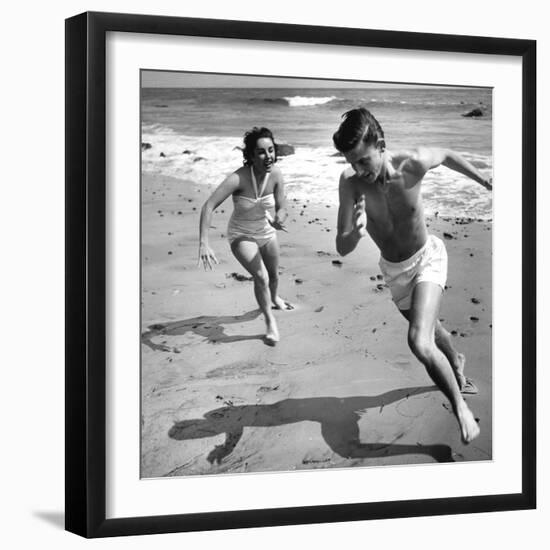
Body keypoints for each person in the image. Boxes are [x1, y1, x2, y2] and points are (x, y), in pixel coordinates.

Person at [333, 107, 492, 444]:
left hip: (428, 258)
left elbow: (447, 155)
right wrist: (356, 233)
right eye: (351, 163)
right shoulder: (350, 185)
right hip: (395, 272)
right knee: (432, 331)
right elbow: (341, 247)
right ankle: (457, 359)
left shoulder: (412, 164)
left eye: (363, 160)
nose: (358, 170)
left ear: (381, 145)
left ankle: (460, 406)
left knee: (419, 341)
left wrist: (484, 181)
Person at [198, 127, 292, 345]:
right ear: (250, 155)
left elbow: (283, 206)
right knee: (261, 277)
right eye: (261, 152)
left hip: (266, 232)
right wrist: (204, 242)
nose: (268, 156)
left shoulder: (276, 174)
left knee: (274, 276)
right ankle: (270, 324)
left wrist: (279, 217)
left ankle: (275, 298)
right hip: (241, 234)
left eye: (271, 150)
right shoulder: (238, 178)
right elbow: (208, 206)